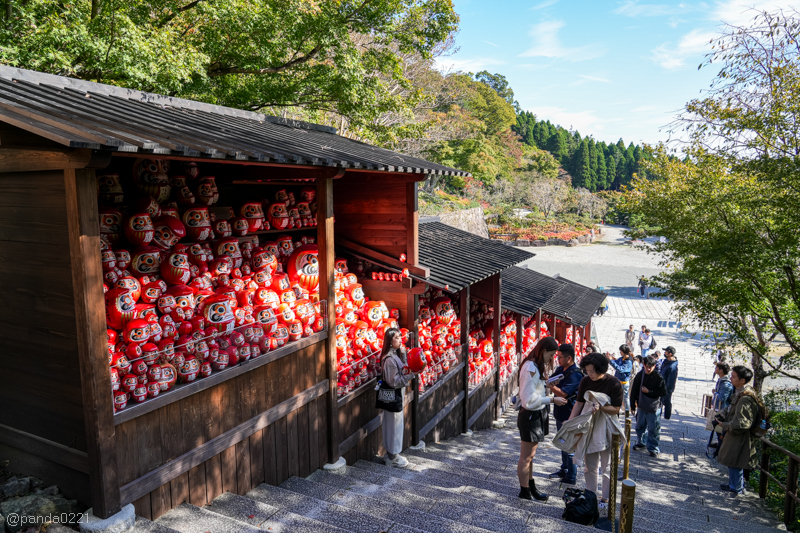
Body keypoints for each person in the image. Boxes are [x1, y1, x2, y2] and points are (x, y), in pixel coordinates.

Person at [569, 352, 624, 509]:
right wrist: (571, 422)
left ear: (602, 370)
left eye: (592, 371)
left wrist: (601, 408)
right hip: (589, 426)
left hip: (607, 428)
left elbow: (616, 409)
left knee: (607, 466)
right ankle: (591, 495)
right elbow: (579, 403)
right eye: (587, 371)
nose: (589, 374)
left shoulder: (614, 383)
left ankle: (605, 498)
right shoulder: (585, 381)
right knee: (590, 465)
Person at [516, 336, 566, 501]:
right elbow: (528, 400)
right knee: (526, 456)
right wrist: (552, 399)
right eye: (550, 355)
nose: (551, 359)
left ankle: (530, 485)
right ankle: (524, 491)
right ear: (544, 351)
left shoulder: (534, 365)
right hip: (531, 414)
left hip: (537, 414)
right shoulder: (530, 367)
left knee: (531, 455)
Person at [717, 366, 760, 496]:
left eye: (734, 376)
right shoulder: (742, 392)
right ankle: (734, 484)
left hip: (739, 435)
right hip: (735, 433)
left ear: (742, 380)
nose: (731, 378)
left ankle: (736, 487)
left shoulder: (746, 397)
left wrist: (724, 425)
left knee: (735, 459)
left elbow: (742, 423)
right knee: (732, 459)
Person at [546, 343, 583, 484]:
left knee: (569, 445)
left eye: (560, 357)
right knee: (562, 443)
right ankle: (565, 469)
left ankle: (571, 476)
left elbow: (563, 393)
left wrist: (550, 386)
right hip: (560, 412)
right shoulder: (561, 368)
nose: (558, 359)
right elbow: (551, 380)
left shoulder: (575, 374)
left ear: (569, 358)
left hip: (570, 414)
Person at [379, 328, 415, 467]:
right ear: (390, 341)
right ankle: (392, 456)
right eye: (397, 338)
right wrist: (412, 375)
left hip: (396, 395)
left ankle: (392, 454)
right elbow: (394, 381)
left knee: (394, 423)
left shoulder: (394, 355)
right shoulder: (389, 359)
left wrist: (404, 353)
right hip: (394, 394)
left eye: (401, 337)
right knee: (394, 424)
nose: (400, 340)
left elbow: (403, 368)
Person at [631, 355, 667, 458]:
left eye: (650, 366)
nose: (648, 368)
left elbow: (663, 392)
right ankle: (641, 443)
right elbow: (634, 390)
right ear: (643, 365)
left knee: (654, 429)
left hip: (653, 408)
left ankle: (653, 448)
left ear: (654, 366)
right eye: (646, 366)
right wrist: (633, 405)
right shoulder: (640, 375)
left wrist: (649, 392)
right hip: (642, 406)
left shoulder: (658, 377)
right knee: (639, 426)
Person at [707, 362, 734, 449]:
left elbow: (722, 398)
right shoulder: (721, 380)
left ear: (721, 370)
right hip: (719, 408)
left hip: (722, 410)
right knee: (718, 428)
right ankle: (719, 444)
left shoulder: (726, 384)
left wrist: (715, 393)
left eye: (716, 368)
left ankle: (721, 446)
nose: (715, 369)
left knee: (720, 428)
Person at [606, 345, 634, 411]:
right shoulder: (622, 358)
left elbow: (620, 369)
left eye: (621, 351)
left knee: (625, 398)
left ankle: (627, 411)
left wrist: (611, 361)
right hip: (618, 380)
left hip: (624, 382)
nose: (620, 352)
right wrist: (610, 358)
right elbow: (615, 363)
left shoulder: (628, 362)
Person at [659, 347, 678, 419]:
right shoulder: (666, 361)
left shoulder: (672, 367)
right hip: (661, 385)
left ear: (670, 354)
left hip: (666, 387)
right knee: (660, 401)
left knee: (667, 401)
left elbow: (671, 380)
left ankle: (667, 416)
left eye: (666, 352)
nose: (664, 353)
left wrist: (668, 390)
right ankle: (659, 414)